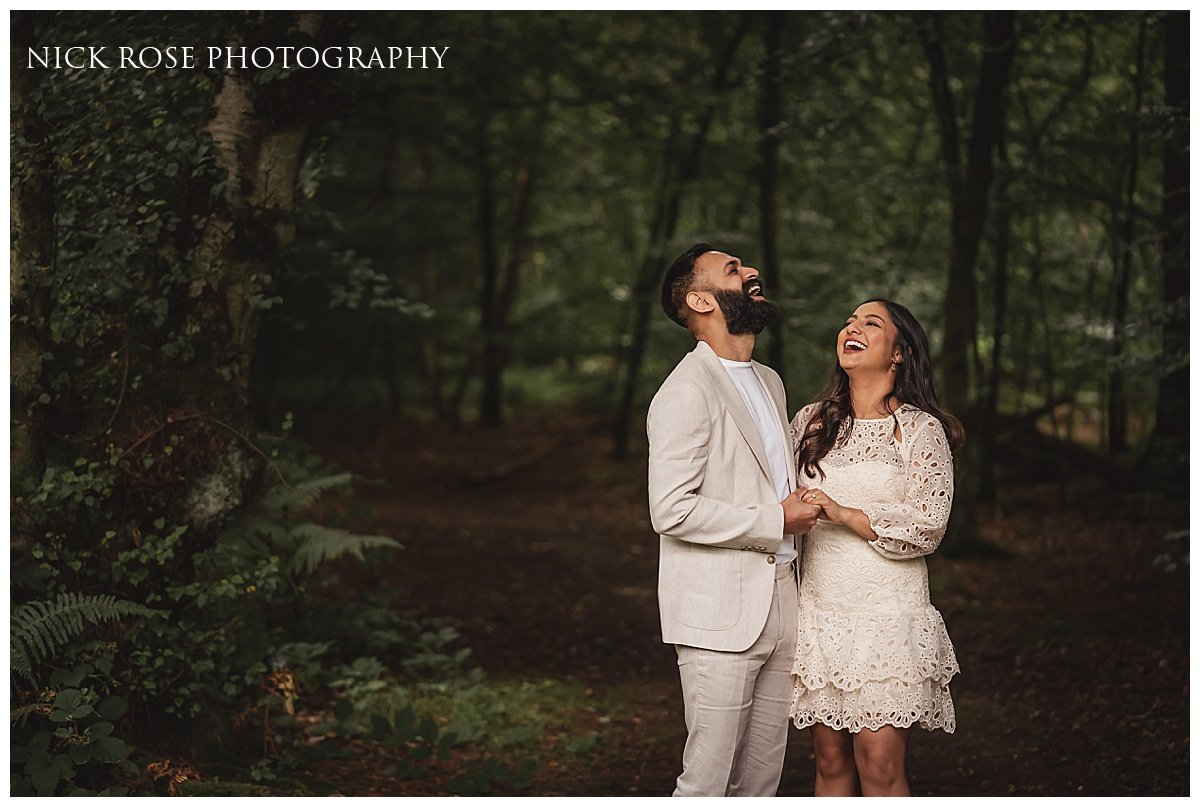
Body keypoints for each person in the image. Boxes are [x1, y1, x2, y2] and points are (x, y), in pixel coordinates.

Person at [647, 243, 820, 797]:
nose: (750, 273)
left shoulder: (769, 381)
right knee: (707, 780)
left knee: (761, 780)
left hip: (782, 602)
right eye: (732, 270)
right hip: (717, 613)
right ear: (699, 300)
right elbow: (670, 508)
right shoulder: (684, 390)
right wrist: (774, 520)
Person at [789, 298, 963, 797]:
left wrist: (845, 514)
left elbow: (929, 526)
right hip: (820, 614)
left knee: (881, 768)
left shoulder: (918, 429)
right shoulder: (811, 422)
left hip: (887, 617)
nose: (852, 328)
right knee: (829, 764)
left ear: (899, 352)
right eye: (848, 321)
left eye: (870, 323)